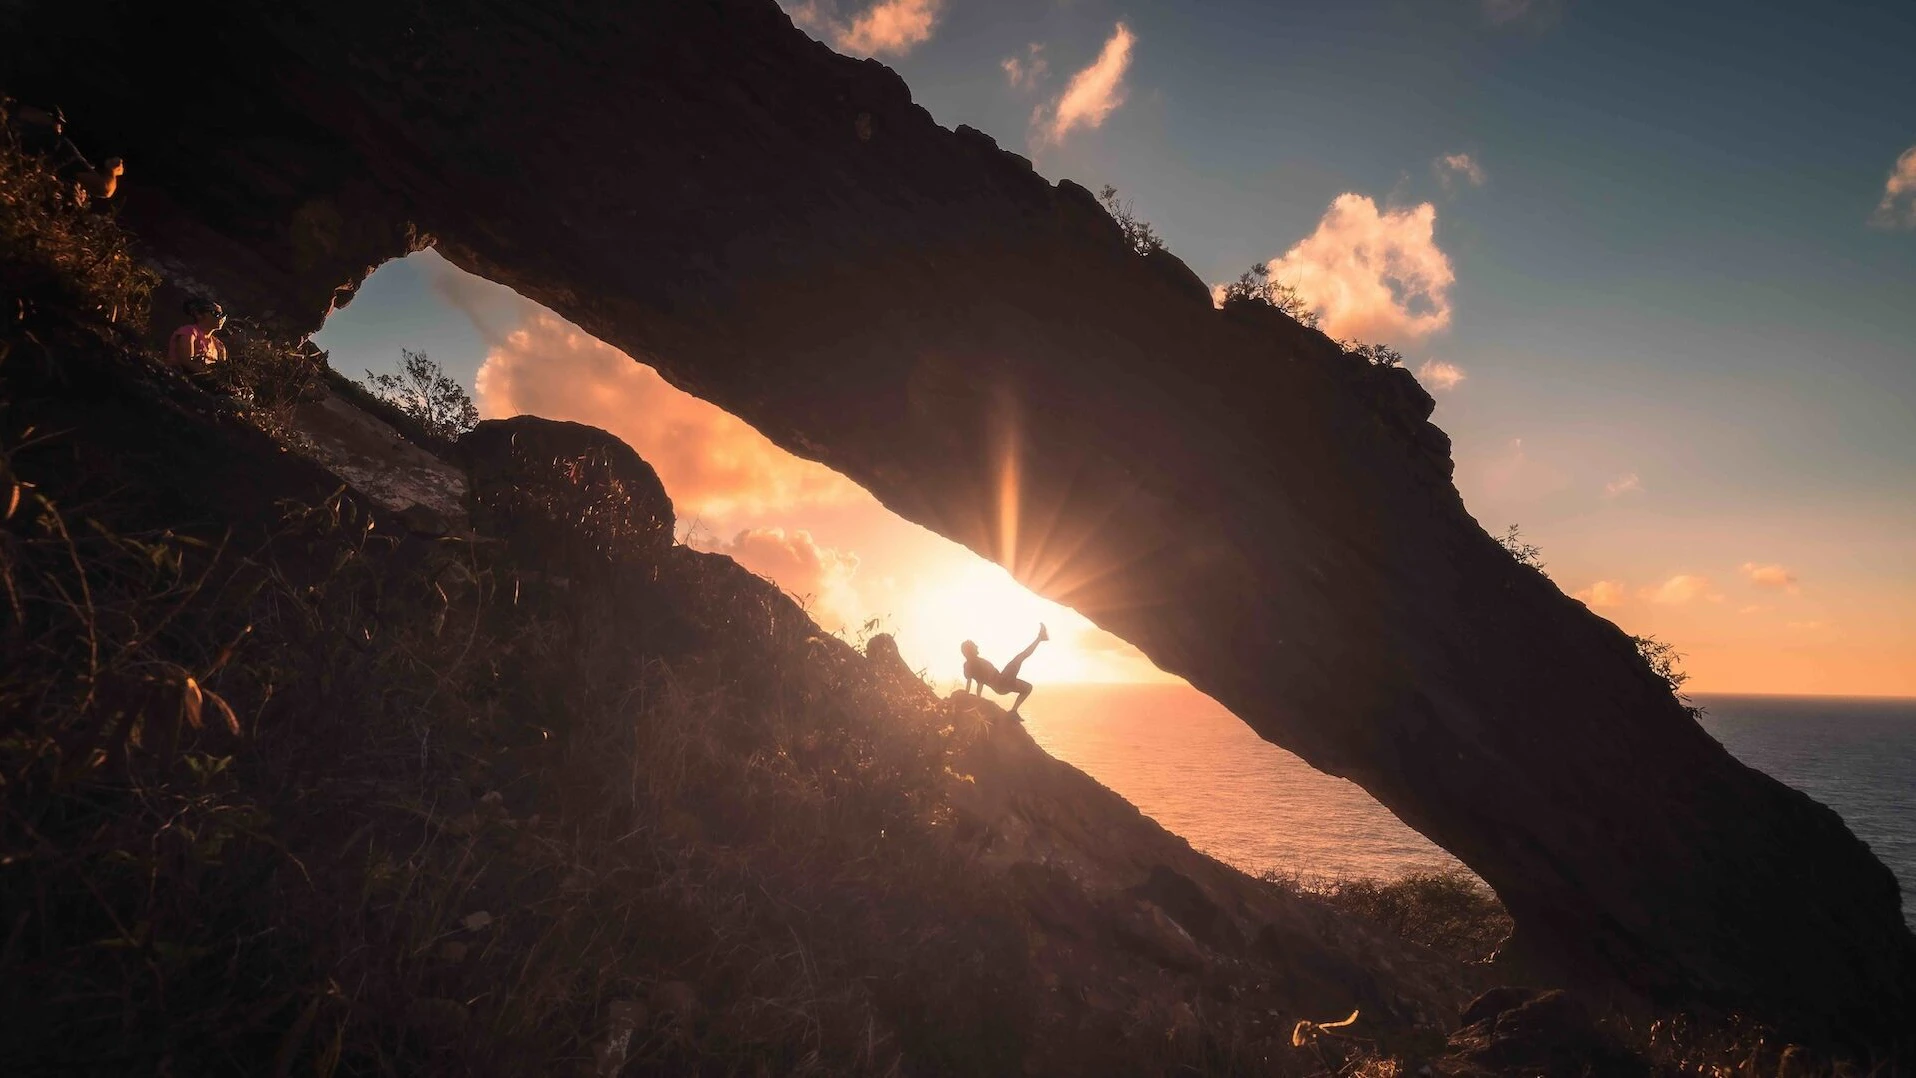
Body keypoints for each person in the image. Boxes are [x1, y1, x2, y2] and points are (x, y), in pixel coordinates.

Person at [961, 623, 1049, 717]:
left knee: (1028, 688)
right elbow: (979, 682)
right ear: (969, 650)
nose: (977, 646)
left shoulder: (971, 664)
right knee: (1019, 658)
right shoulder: (973, 664)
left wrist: (970, 696)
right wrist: (977, 699)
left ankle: (1013, 711)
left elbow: (972, 682)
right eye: (974, 646)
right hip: (1001, 682)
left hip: (1002, 683)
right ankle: (1040, 637)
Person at [167, 298, 228, 377]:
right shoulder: (189, 332)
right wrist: (209, 375)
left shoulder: (219, 346)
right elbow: (186, 361)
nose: (220, 318)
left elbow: (222, 370)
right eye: (215, 313)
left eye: (222, 315)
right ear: (199, 315)